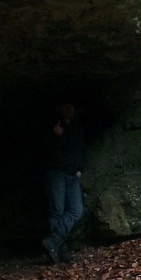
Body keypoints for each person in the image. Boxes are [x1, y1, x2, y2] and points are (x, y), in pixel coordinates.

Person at [42, 102, 85, 264]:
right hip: (57, 172)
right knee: (57, 209)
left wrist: (80, 168)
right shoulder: (53, 126)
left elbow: (79, 148)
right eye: (65, 105)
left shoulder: (76, 127)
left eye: (71, 106)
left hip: (73, 173)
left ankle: (54, 241)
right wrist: (57, 137)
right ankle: (60, 249)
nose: (69, 109)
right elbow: (50, 152)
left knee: (76, 210)